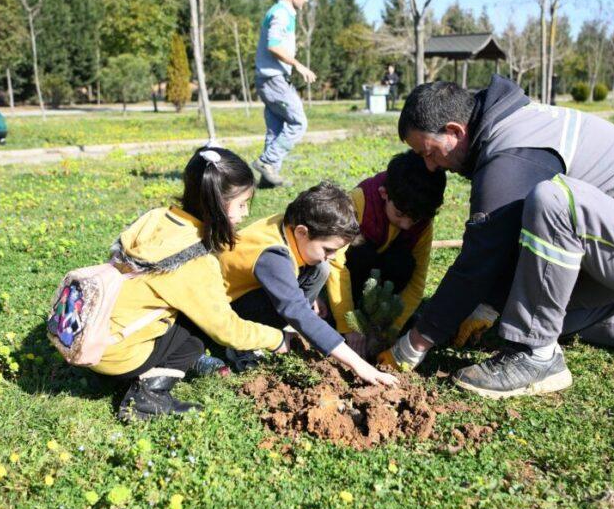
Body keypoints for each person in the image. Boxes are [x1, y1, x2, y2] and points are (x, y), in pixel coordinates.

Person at [380, 75, 614, 399]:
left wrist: (417, 342)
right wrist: (488, 307)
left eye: (428, 152)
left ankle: (537, 357)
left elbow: (480, 259)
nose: (429, 165)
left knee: (553, 202)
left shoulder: (511, 151)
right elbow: (506, 242)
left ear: (455, 131)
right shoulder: (501, 128)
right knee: (528, 315)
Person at [98, 146, 294, 422]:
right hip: (114, 352)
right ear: (215, 203)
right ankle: (147, 399)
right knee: (197, 329)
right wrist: (278, 339)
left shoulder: (158, 216)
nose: (245, 213)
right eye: (240, 204)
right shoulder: (195, 260)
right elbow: (228, 331)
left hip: (95, 327)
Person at [217, 181, 399, 387]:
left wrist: (313, 297)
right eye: (328, 249)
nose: (331, 256)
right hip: (227, 309)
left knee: (321, 268)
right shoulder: (272, 255)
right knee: (299, 306)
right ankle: (242, 346)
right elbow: (295, 309)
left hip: (249, 291)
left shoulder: (289, 227)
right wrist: (360, 365)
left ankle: (286, 330)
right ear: (302, 232)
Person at [325, 151, 446, 355]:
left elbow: (417, 282)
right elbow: (336, 264)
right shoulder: (359, 201)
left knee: (405, 264)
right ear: (384, 193)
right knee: (361, 251)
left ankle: (376, 321)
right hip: (355, 269)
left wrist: (392, 328)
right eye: (399, 214)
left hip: (384, 282)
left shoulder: (422, 219)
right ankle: (339, 313)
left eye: (414, 219)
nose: (407, 225)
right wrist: (349, 325)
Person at [250, 0, 316, 188]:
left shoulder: (281, 12)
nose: (306, 0)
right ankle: (267, 162)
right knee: (298, 122)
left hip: (268, 77)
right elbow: (274, 45)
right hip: (273, 78)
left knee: (275, 129)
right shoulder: (281, 13)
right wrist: (299, 65)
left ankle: (268, 180)